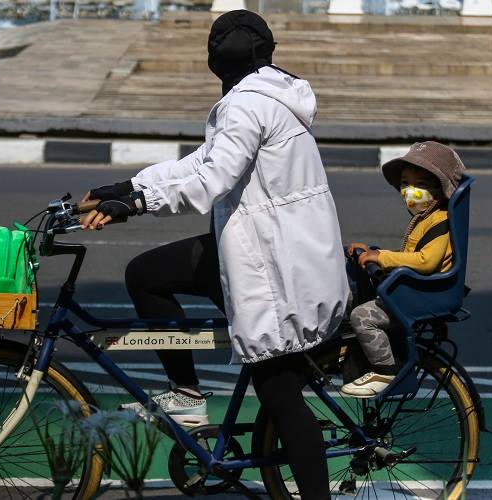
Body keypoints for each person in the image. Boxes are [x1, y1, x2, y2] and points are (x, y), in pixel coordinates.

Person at [80, 10, 348, 498]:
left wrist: (134, 204)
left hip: (274, 266)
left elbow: (210, 182)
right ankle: (184, 394)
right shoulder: (272, 94)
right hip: (265, 249)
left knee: (279, 394)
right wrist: (127, 185)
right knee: (147, 275)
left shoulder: (246, 104)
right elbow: (203, 161)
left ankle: (190, 397)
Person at [342, 141, 465, 398]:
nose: (410, 191)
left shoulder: (440, 221)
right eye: (406, 183)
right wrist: (371, 252)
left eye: (420, 184)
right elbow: (409, 256)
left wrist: (382, 257)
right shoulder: (424, 217)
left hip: (419, 295)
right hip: (411, 289)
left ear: (440, 190)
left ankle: (385, 370)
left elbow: (425, 261)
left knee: (362, 317)